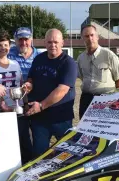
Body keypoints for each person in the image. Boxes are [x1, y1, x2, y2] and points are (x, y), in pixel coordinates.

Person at [23, 29, 77, 157]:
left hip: (60, 118)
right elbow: (31, 78)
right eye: (49, 42)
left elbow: (62, 90)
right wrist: (28, 85)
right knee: (39, 155)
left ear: (62, 43)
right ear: (44, 43)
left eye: (56, 42)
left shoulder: (69, 63)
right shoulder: (38, 59)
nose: (53, 45)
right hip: (40, 119)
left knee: (66, 155)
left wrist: (41, 105)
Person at [0, 32, 30, 164]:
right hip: (2, 109)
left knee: (24, 139)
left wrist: (25, 104)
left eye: (6, 45)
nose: (3, 48)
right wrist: (1, 104)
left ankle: (26, 165)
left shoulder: (15, 64)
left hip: (18, 108)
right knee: (7, 141)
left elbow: (21, 85)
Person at [77, 24, 119, 119]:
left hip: (105, 99)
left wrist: (110, 96)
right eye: (86, 36)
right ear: (82, 38)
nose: (90, 38)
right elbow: (83, 78)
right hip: (86, 99)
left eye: (92, 35)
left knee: (104, 130)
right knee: (85, 129)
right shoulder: (80, 58)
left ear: (97, 37)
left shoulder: (109, 55)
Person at [7, 27, 40, 163]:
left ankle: (37, 161)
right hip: (16, 101)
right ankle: (25, 162)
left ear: (31, 40)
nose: (23, 42)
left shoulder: (40, 56)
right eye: (20, 39)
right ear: (15, 41)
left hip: (36, 100)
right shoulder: (8, 54)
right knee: (22, 134)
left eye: (26, 39)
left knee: (38, 135)